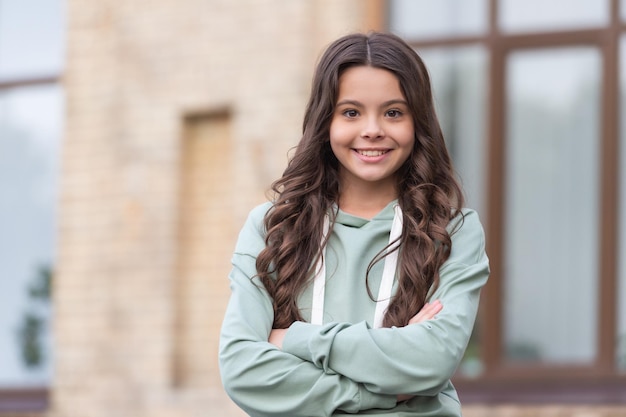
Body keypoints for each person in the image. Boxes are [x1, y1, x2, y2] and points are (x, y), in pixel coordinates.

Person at [219, 31, 490, 417]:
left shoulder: (452, 230)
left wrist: (294, 340)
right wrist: (378, 390)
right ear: (324, 121)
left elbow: (431, 361)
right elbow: (242, 369)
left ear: (419, 123)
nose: (372, 129)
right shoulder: (272, 227)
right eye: (351, 112)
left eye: (393, 112)